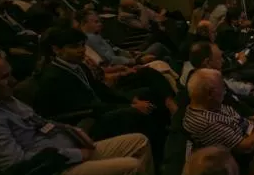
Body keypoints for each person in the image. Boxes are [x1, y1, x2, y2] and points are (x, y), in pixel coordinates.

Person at [0, 52, 155, 175]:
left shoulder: (3, 98)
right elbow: (18, 167)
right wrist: (76, 154)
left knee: (138, 141)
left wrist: (73, 131)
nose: (13, 81)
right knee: (131, 167)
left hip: (67, 150)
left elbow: (40, 122)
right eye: (4, 77)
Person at [33, 27, 166, 142]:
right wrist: (130, 106)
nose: (81, 50)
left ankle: (170, 134)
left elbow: (101, 89)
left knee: (148, 93)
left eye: (82, 45)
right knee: (135, 113)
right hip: (84, 120)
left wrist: (130, 100)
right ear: (57, 50)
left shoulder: (79, 66)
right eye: (74, 47)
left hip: (97, 107)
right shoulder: (54, 77)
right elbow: (88, 106)